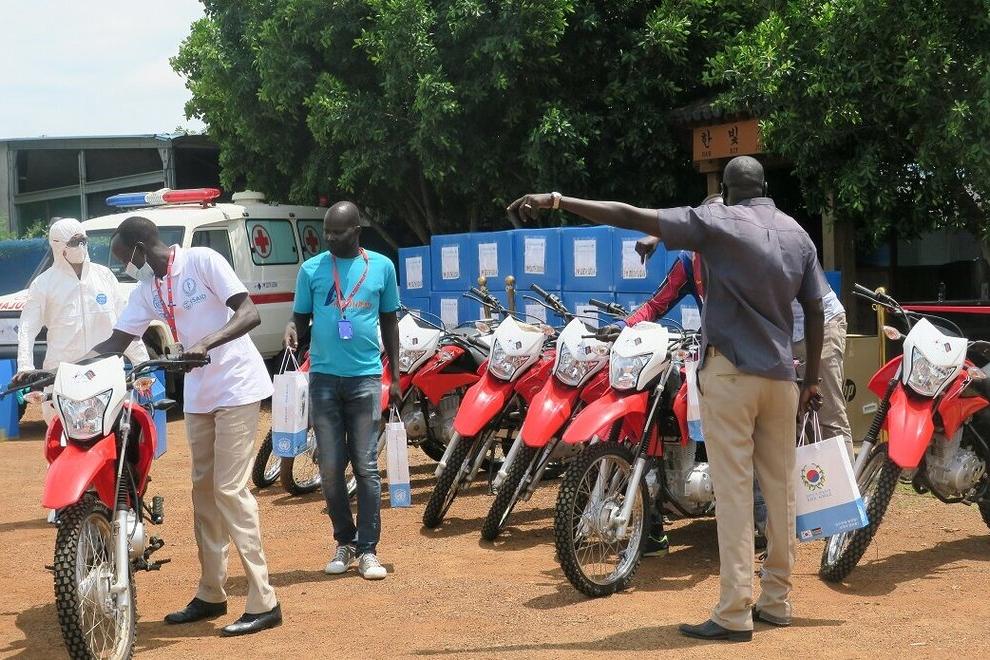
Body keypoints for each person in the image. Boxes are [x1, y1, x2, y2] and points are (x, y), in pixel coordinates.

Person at [509, 155, 827, 642]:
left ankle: (734, 612)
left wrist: (556, 200)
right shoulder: (796, 233)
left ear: (726, 190)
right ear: (766, 188)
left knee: (735, 492)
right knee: (781, 490)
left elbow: (628, 214)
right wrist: (812, 381)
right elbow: (815, 308)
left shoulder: (717, 222)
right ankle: (777, 601)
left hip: (731, 374)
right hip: (783, 377)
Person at [88, 216, 281, 637]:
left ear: (141, 247)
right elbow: (116, 343)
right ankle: (211, 592)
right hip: (199, 395)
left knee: (229, 490)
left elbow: (249, 313)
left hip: (236, 386)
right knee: (203, 492)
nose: (124, 267)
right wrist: (58, 367)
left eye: (124, 258)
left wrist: (205, 342)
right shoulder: (148, 289)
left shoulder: (202, 261)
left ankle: (264, 600)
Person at [284, 201, 401, 581]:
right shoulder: (311, 270)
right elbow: (300, 317)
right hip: (323, 380)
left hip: (366, 379)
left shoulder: (382, 267)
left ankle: (368, 550)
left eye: (338, 232)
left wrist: (396, 377)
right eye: (327, 232)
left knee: (366, 468)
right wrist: (292, 328)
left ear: (357, 232)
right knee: (331, 469)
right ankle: (345, 542)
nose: (330, 238)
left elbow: (389, 322)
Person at [13, 218, 149, 421]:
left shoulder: (104, 276)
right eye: (74, 242)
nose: (81, 246)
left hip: (107, 371)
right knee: (63, 434)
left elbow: (125, 324)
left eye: (83, 240)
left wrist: (143, 364)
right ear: (58, 246)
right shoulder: (43, 284)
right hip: (63, 375)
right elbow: (27, 328)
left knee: (116, 430)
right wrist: (25, 367)